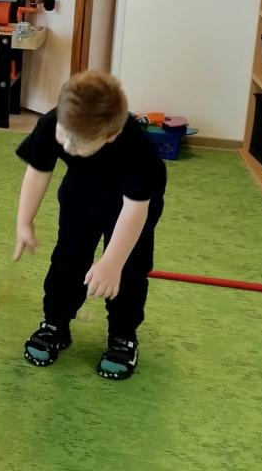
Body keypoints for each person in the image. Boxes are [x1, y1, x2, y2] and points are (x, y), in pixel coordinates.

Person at [12, 70, 167, 381]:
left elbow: (135, 209)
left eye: (79, 143)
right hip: (81, 193)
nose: (67, 146)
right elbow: (38, 170)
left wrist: (112, 262)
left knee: (129, 270)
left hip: (131, 207)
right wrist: (24, 222)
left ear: (111, 136)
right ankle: (55, 323)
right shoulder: (56, 122)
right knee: (67, 258)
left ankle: (123, 335)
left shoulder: (136, 148)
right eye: (64, 135)